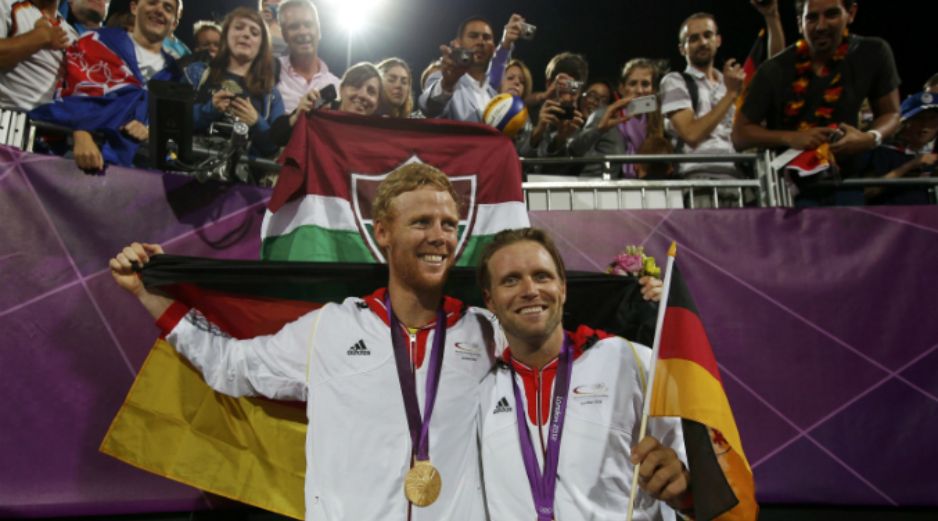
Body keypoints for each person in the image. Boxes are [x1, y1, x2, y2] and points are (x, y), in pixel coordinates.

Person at [109, 163, 499, 521]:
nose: (439, 237)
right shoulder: (330, 328)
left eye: (449, 224)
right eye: (422, 222)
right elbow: (231, 366)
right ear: (383, 232)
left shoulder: (488, 334)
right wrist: (151, 294)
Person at [476, 227, 689, 520]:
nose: (529, 290)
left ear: (562, 288)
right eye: (511, 280)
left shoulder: (631, 361)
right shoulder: (481, 389)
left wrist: (684, 485)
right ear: (490, 300)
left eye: (542, 276)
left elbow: (697, 474)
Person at [732, 0, 900, 206]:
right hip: (789, 192)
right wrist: (791, 138)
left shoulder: (873, 52)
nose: (821, 26)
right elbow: (740, 135)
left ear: (851, 13)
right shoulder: (774, 69)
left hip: (846, 185)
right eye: (811, 17)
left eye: (831, 14)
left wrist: (870, 138)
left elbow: (891, 113)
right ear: (799, 24)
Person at [28, 0, 182, 171]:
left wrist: (151, 131)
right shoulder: (95, 41)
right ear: (134, 7)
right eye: (152, 2)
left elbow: (176, 143)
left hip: (140, 178)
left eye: (168, 8)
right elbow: (68, 96)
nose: (159, 10)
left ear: (174, 23)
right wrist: (80, 130)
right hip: (75, 157)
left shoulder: (176, 76)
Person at [661, 11, 770, 206]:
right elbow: (691, 133)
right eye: (693, 38)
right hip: (699, 183)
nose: (702, 42)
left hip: (742, 183)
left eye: (707, 35)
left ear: (718, 40)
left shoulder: (730, 83)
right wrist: (730, 95)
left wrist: (773, 18)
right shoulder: (675, 81)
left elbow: (771, 68)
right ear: (682, 49)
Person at [183, 6, 284, 158]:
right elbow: (173, 121)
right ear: (225, 35)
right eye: (239, 28)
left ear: (262, 45)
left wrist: (256, 122)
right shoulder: (197, 73)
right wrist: (209, 110)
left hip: (243, 178)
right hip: (190, 172)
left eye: (254, 33)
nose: (246, 35)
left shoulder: (271, 95)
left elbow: (275, 147)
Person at [569, 58, 665, 178]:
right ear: (622, 89)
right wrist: (599, 129)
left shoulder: (661, 123)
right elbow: (575, 150)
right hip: (606, 190)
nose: (639, 90)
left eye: (645, 84)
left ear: (653, 89)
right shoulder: (604, 114)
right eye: (633, 83)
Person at [419, 15, 521, 123]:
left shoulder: (494, 93)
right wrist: (446, 85)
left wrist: (506, 42)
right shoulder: (444, 79)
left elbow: (499, 65)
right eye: (473, 36)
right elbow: (428, 108)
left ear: (493, 49)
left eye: (486, 38)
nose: (480, 42)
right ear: (459, 43)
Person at [859, 91, 938, 205]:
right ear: (904, 122)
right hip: (889, 219)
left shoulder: (932, 157)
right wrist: (909, 166)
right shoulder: (882, 150)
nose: (925, 125)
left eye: (933, 118)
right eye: (918, 118)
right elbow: (867, 192)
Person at [0, 0, 77, 111]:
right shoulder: (7, 5)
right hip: (12, 117)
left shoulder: (73, 34)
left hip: (57, 122)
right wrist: (40, 37)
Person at [274, 0, 339, 114]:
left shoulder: (336, 86)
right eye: (294, 27)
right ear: (284, 35)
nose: (303, 32)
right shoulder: (269, 72)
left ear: (319, 31)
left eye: (308, 25)